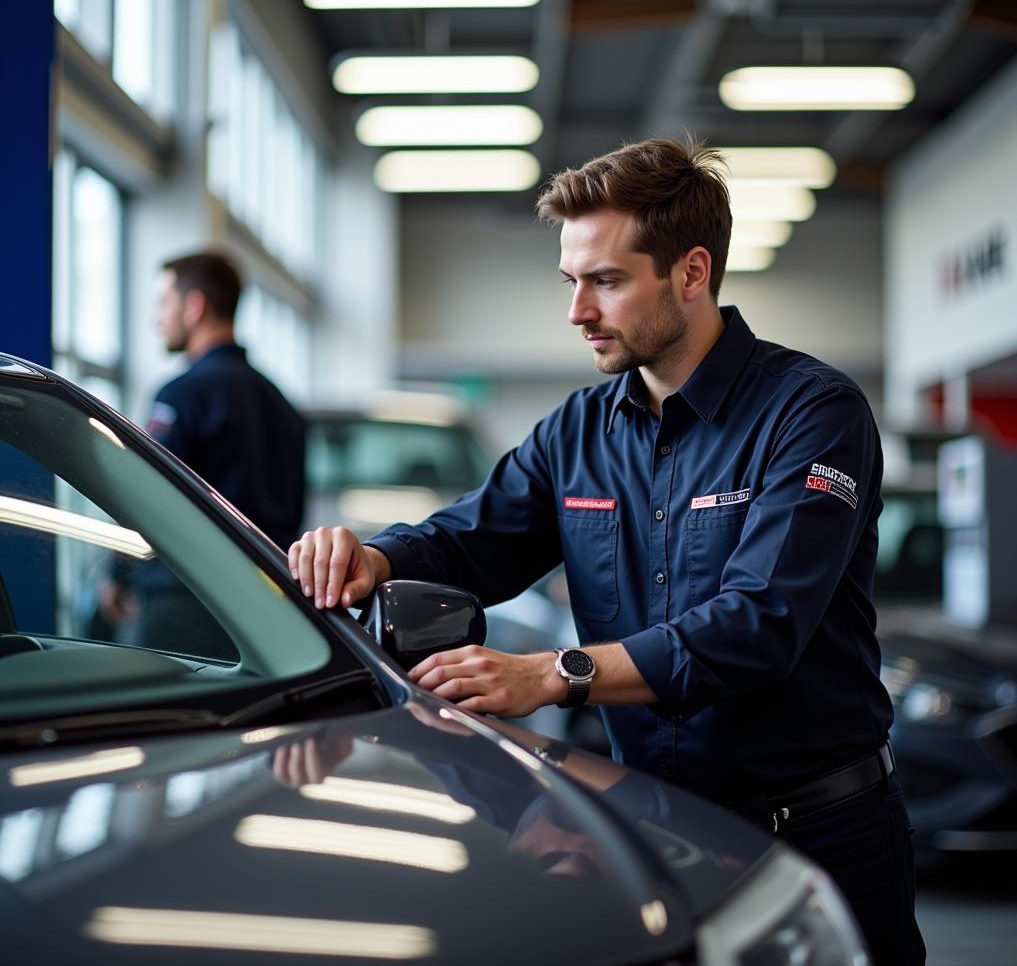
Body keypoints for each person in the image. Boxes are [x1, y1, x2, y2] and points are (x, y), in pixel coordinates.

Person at [289, 136, 925, 963]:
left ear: (691, 273)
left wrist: (555, 674)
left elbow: (759, 623)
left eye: (607, 281)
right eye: (572, 281)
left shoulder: (812, 413)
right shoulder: (576, 433)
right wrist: (373, 560)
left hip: (819, 837)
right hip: (654, 825)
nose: (577, 311)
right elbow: (474, 538)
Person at [116, 251, 305, 659]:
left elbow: (147, 497)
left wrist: (117, 573)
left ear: (195, 306)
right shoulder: (281, 402)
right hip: (270, 608)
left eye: (163, 302)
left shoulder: (182, 395)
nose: (156, 319)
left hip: (184, 603)